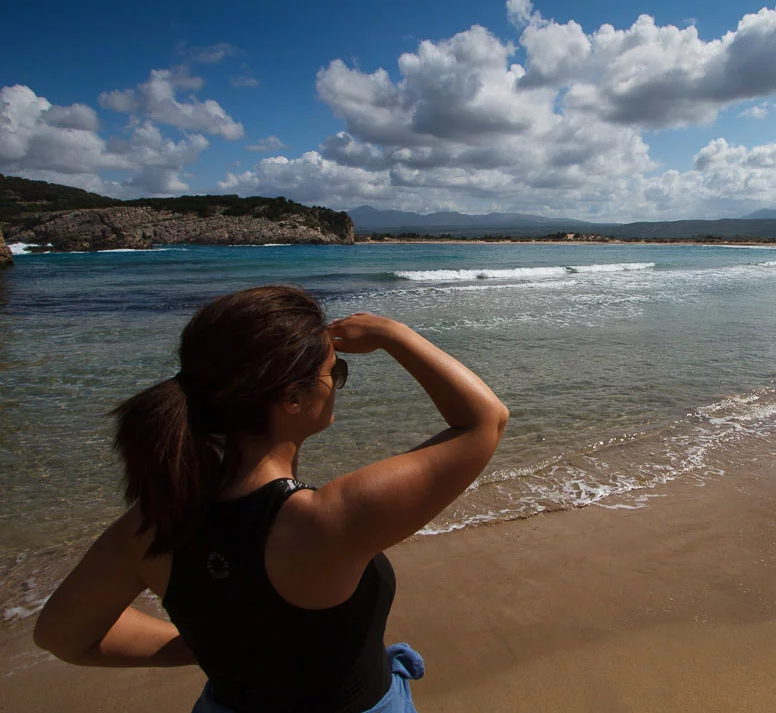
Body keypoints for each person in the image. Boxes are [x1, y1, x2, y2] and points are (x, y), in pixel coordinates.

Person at [32, 285, 510, 713]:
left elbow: (63, 636)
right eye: (334, 371)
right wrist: (391, 333)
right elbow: (484, 420)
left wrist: (205, 644)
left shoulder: (152, 523)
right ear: (293, 399)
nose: (338, 382)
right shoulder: (325, 522)